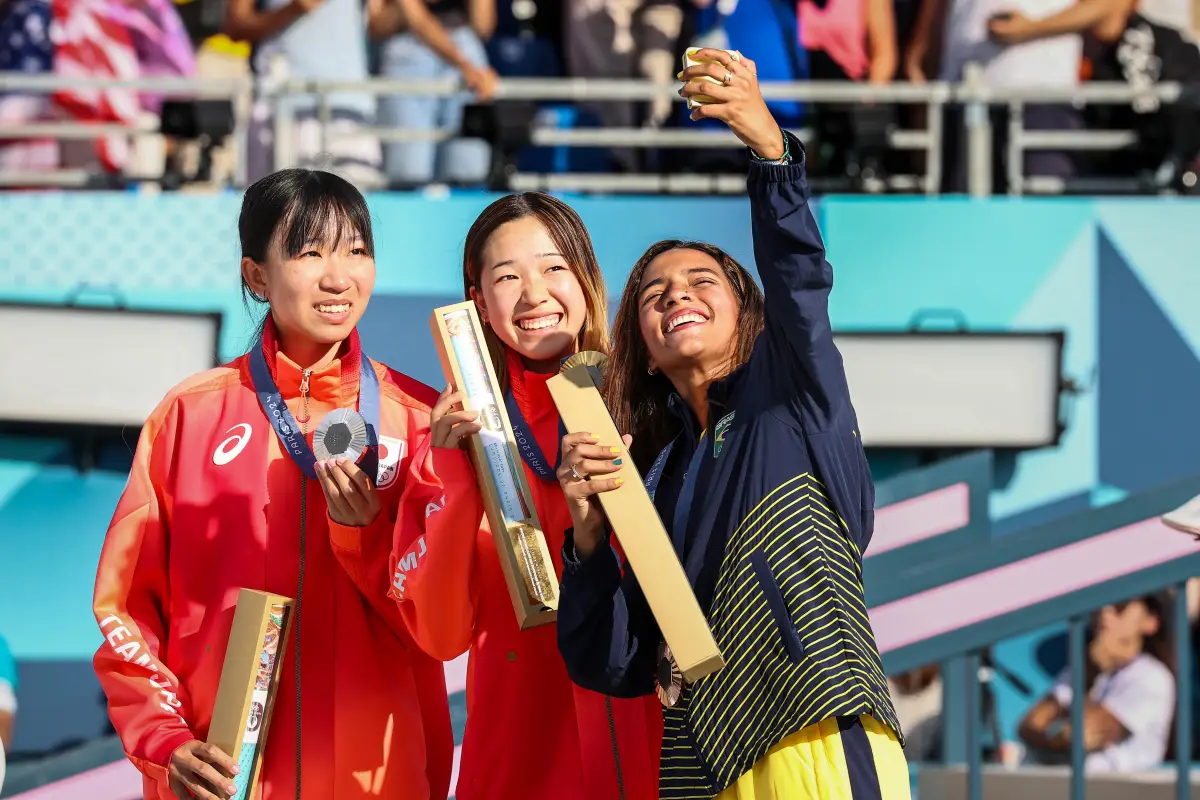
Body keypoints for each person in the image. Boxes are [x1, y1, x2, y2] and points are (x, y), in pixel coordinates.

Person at [553, 48, 909, 799]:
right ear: (644, 348)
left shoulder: (792, 397)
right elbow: (612, 663)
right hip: (702, 764)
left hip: (811, 728)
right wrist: (586, 538)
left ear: (748, 314)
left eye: (700, 280)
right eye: (653, 294)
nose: (675, 295)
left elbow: (799, 280)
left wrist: (770, 152)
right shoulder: (653, 475)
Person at [92, 169, 453, 800]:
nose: (339, 278)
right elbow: (125, 608)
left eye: (356, 250)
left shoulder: (420, 419)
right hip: (225, 776)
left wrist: (368, 538)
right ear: (256, 275)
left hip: (376, 779)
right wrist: (165, 741)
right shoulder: (190, 414)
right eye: (310, 252)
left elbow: (444, 620)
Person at [386, 193, 663, 799]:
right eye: (508, 277)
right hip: (518, 753)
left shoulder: (649, 407)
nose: (534, 294)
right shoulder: (453, 439)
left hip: (648, 738)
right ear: (479, 302)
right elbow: (439, 634)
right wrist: (455, 478)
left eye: (554, 267)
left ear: (588, 280)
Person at [1018, 595, 1175, 772]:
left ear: (1150, 621)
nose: (1104, 613)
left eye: (1120, 605)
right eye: (1099, 604)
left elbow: (1083, 736)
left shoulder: (1152, 677)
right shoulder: (1083, 667)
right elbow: (1027, 726)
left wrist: (1047, 738)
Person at [372, 0, 499, 187]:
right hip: (408, 52)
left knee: (468, 171)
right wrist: (466, 66)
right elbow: (413, 21)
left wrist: (468, 66)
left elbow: (483, 26)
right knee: (409, 171)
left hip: (465, 49)